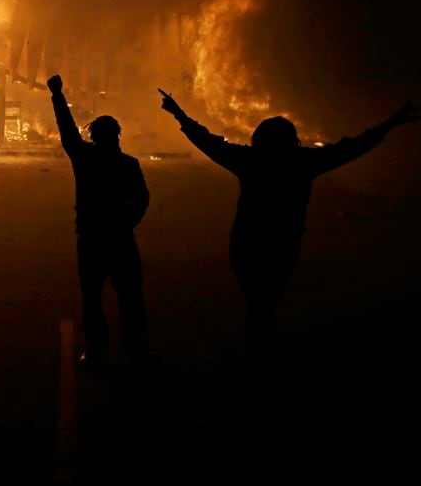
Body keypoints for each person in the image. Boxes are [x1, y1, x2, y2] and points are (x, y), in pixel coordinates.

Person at [159, 89, 417, 396]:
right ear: (291, 140)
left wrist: (178, 114)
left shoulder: (250, 160)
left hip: (247, 242)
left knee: (257, 302)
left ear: (259, 139)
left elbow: (208, 141)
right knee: (267, 301)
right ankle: (260, 363)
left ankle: (256, 361)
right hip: (282, 243)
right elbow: (353, 147)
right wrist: (391, 123)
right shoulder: (303, 162)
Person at [47, 74, 151, 370]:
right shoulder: (128, 164)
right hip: (120, 238)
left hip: (92, 239)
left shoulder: (85, 158)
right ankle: (136, 350)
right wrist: (128, 222)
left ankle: (96, 350)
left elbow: (67, 130)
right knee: (130, 297)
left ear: (94, 137)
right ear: (118, 135)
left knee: (92, 298)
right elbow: (142, 198)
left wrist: (57, 94)